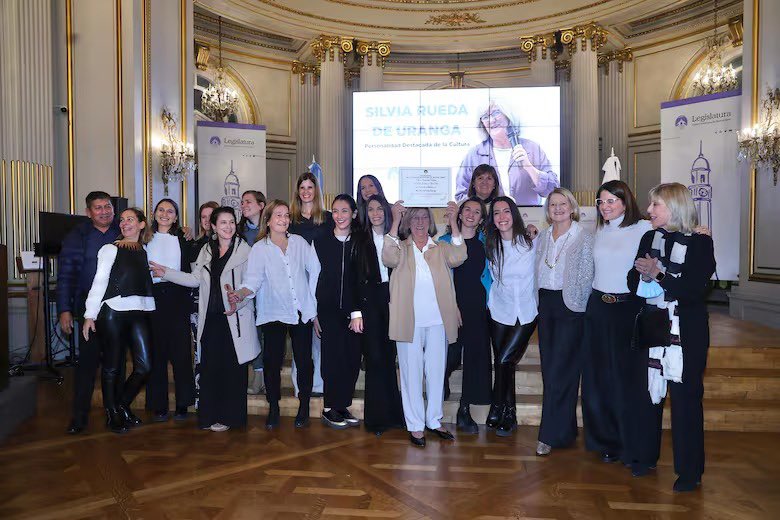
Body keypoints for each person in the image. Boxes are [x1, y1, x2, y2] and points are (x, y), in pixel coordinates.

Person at [628, 183, 715, 493]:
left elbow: (693, 291)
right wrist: (643, 273)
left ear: (674, 209)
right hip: (653, 323)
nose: (649, 210)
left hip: (686, 331)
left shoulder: (701, 243)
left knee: (685, 400)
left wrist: (660, 274)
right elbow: (632, 278)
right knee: (647, 393)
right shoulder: (648, 237)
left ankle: (689, 473)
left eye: (656, 205)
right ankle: (643, 457)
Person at [151, 207, 260, 432]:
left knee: (233, 370)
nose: (228, 227)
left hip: (235, 319)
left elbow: (253, 285)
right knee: (211, 369)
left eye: (231, 222)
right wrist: (167, 273)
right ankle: (211, 416)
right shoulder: (206, 251)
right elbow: (194, 279)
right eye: (223, 223)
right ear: (213, 226)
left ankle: (232, 417)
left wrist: (236, 299)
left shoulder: (247, 251)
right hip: (210, 318)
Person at [230, 200, 321, 429]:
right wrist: (240, 294)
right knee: (272, 363)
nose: (283, 219)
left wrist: (313, 301)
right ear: (268, 220)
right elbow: (252, 281)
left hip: (300, 310)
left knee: (304, 362)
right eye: (278, 215)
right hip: (273, 311)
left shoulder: (299, 242)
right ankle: (274, 407)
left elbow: (316, 270)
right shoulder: (260, 248)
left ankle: (304, 406)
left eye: (286, 215)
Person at [383, 202, 465, 447]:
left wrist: (453, 222)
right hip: (409, 321)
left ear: (430, 222)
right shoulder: (400, 247)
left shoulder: (439, 247)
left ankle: (434, 419)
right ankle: (416, 425)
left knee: (436, 371)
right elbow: (388, 258)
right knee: (411, 374)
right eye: (415, 217)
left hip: (437, 320)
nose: (419, 222)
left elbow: (460, 256)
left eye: (424, 218)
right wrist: (395, 220)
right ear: (408, 222)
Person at [581, 180, 652, 464]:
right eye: (601, 201)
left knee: (625, 378)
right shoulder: (598, 230)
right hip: (598, 307)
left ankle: (627, 439)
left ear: (625, 201)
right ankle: (603, 439)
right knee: (598, 378)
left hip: (628, 308)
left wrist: (697, 231)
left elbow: (672, 237)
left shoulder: (644, 229)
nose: (605, 206)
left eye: (611, 200)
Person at [82, 208, 155, 433]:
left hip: (139, 312)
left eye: (130, 219)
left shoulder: (144, 251)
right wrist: (89, 315)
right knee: (112, 366)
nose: (124, 223)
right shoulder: (109, 249)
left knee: (144, 366)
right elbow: (100, 281)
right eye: (122, 220)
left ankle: (121, 405)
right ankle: (112, 413)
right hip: (113, 311)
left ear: (142, 224)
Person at [534, 188, 594, 456]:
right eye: (552, 204)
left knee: (562, 370)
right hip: (546, 306)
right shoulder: (543, 237)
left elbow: (589, 274)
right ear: (548, 210)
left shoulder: (584, 237)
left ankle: (548, 435)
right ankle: (565, 430)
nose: (557, 208)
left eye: (562, 203)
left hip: (572, 307)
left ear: (572, 207)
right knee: (551, 370)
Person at [57, 191, 121, 434]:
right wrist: (64, 309)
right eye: (98, 207)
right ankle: (79, 418)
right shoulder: (77, 236)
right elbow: (66, 276)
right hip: (88, 309)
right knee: (87, 363)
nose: (104, 211)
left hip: (118, 306)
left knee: (116, 364)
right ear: (88, 212)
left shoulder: (122, 229)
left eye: (107, 206)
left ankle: (114, 413)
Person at [485, 196, 538, 437]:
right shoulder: (490, 244)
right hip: (499, 310)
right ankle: (509, 414)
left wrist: (533, 229)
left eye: (506, 211)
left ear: (514, 214)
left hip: (526, 312)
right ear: (492, 219)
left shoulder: (530, 241)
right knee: (504, 364)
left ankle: (497, 405)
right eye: (496, 213)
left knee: (504, 360)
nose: (502, 217)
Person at [439, 197, 492, 434]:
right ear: (459, 215)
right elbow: (439, 280)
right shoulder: (443, 242)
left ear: (481, 219)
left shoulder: (487, 243)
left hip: (478, 307)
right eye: (467, 210)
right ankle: (442, 380)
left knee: (474, 358)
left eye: (477, 212)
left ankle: (464, 409)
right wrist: (452, 306)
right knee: (450, 354)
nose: (471, 214)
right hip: (451, 306)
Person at [352, 194, 404, 435]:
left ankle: (394, 415)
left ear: (386, 210)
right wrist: (357, 312)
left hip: (393, 298)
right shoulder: (360, 238)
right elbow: (353, 278)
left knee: (389, 358)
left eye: (379, 208)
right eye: (370, 209)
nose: (375, 213)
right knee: (374, 359)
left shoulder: (398, 235)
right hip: (369, 300)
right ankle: (375, 419)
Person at [313, 194, 362, 430]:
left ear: (353, 214)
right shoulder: (321, 239)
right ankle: (329, 406)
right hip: (327, 310)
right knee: (331, 359)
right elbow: (313, 276)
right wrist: (314, 314)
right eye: (335, 211)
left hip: (355, 313)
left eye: (344, 211)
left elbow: (363, 279)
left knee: (351, 358)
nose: (339, 216)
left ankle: (343, 404)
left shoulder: (361, 241)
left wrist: (358, 311)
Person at [145, 198, 196, 422]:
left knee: (181, 354)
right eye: (161, 210)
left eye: (170, 211)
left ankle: (183, 404)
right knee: (157, 354)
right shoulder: (144, 238)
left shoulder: (184, 240)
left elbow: (191, 272)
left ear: (176, 217)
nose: (165, 214)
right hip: (152, 299)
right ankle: (159, 405)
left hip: (178, 297)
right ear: (154, 213)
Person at [455, 102, 559, 204]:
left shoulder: (532, 148)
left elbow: (553, 191)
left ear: (508, 116)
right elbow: (461, 196)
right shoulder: (474, 154)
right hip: (489, 220)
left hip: (527, 219)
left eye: (496, 113)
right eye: (485, 117)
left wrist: (529, 167)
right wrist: (488, 208)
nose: (491, 120)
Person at [289, 172, 331, 397]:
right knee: (301, 337)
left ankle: (320, 385)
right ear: (298, 191)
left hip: (324, 280)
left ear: (316, 191)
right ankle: (301, 386)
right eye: (302, 187)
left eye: (310, 187)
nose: (306, 191)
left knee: (322, 334)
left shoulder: (328, 217)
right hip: (298, 281)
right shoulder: (291, 220)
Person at [237, 190, 267, 396]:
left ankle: (268, 375)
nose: (244, 204)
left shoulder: (273, 228)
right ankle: (258, 375)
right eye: (242, 202)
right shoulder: (239, 232)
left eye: (248, 201)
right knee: (253, 332)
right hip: (248, 289)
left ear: (261, 205)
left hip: (271, 289)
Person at [190, 201, 218, 405]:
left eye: (211, 216)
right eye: (203, 217)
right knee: (199, 352)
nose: (207, 221)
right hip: (197, 307)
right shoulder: (195, 244)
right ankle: (201, 396)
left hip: (218, 306)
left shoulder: (229, 243)